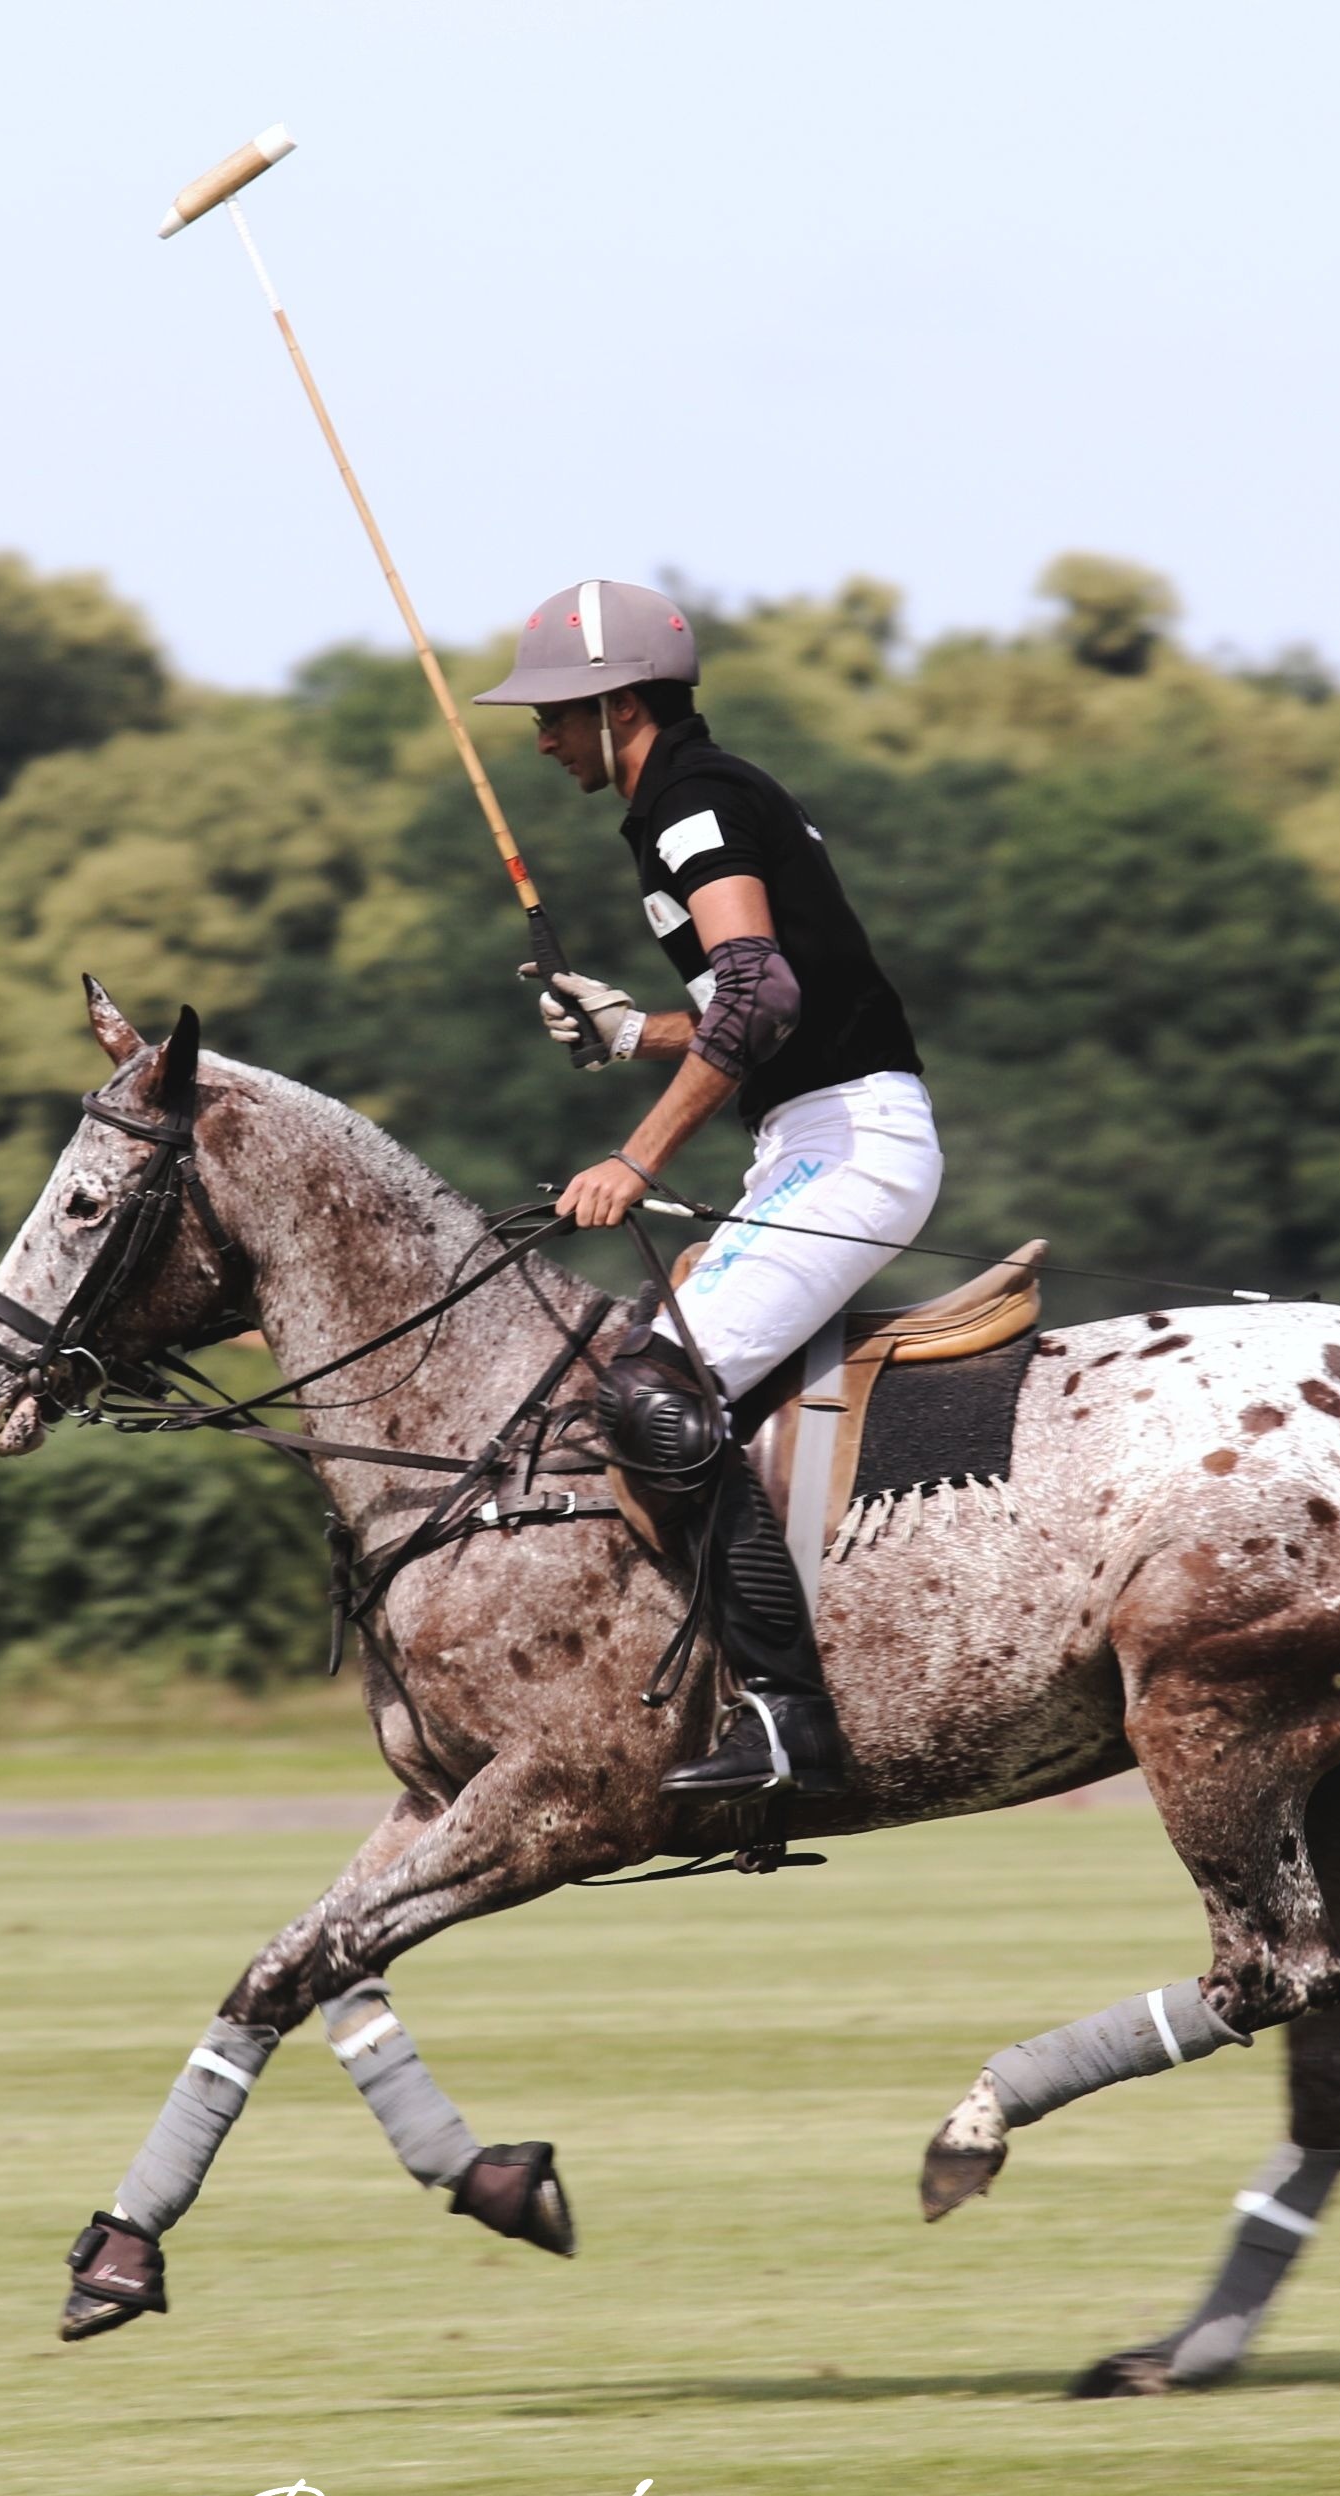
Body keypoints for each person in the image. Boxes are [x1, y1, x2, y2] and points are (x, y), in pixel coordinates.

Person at [472, 580, 940, 1797]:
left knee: (653, 1390)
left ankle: (792, 1722)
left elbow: (764, 994)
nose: (541, 737)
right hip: (807, 1134)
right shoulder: (689, 800)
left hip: (849, 1144)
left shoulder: (689, 803)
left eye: (558, 713)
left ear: (620, 702)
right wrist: (635, 1034)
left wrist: (636, 1157)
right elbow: (772, 1001)